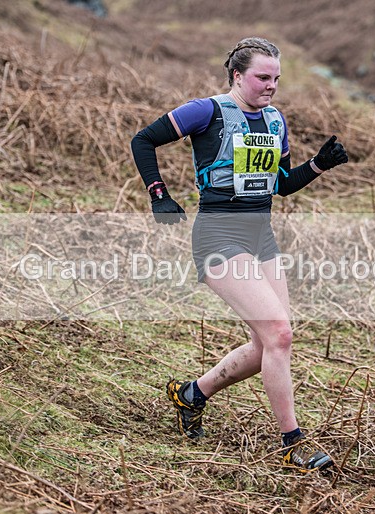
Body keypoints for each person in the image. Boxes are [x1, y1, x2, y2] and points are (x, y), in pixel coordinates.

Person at [130, 37, 348, 472]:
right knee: (280, 334)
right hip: (217, 235)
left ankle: (192, 394)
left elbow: (281, 184)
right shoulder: (205, 111)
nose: (271, 86)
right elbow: (143, 140)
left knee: (268, 342)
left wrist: (319, 165)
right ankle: (292, 444)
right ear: (237, 75)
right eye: (262, 78)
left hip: (260, 236)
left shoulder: (274, 120)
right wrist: (159, 195)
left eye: (276, 79)